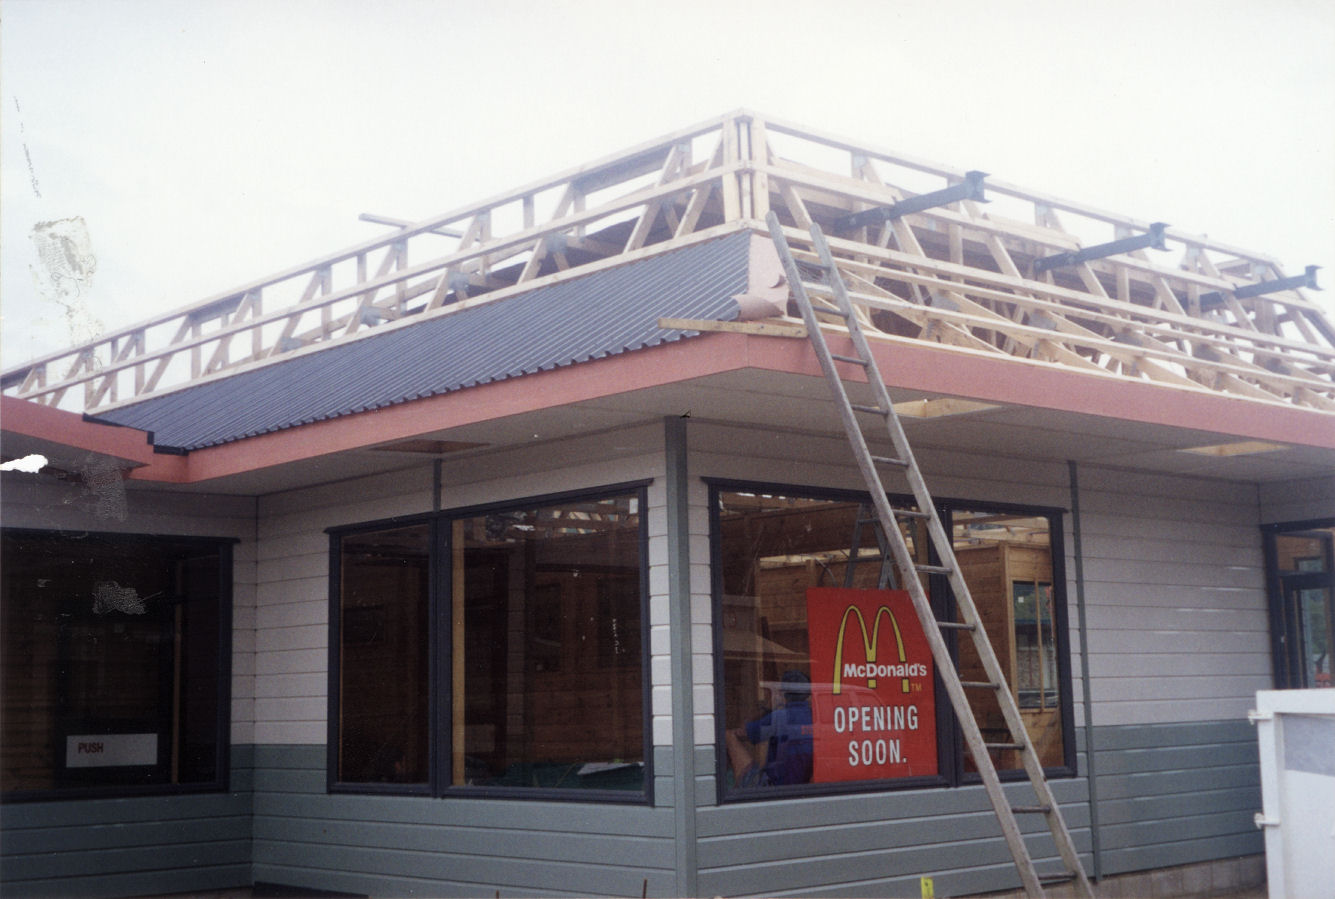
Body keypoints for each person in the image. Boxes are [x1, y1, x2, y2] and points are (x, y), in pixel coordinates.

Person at [726, 669, 814, 786]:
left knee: (728, 736)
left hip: (774, 788)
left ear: (783, 693)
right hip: (805, 786)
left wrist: (767, 707)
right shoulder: (815, 717)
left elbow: (741, 733)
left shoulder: (779, 717)